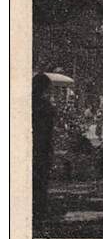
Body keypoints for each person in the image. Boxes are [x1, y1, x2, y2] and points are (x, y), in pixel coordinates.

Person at [32, 73, 56, 229]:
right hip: (41, 147)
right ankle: (40, 210)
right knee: (41, 179)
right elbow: (48, 130)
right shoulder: (46, 106)